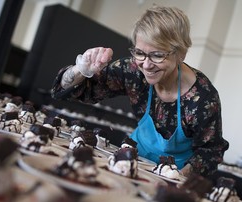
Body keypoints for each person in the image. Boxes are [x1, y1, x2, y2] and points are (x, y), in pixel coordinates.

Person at [51, 5, 229, 177]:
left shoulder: (203, 98)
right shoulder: (133, 70)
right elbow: (64, 92)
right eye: (139, 53)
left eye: (158, 55)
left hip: (176, 173)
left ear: (181, 53)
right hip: (132, 158)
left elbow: (209, 152)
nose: (147, 64)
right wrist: (82, 69)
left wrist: (174, 178)